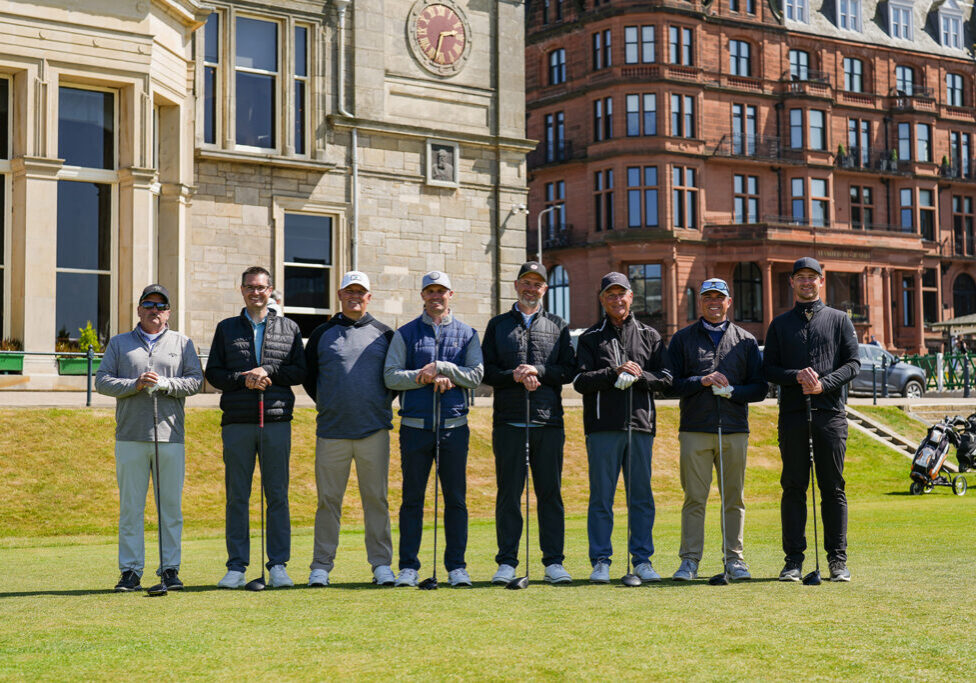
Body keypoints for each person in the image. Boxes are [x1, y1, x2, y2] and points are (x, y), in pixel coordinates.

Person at [96, 284, 203, 592]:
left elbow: (196, 381)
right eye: (149, 304)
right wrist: (135, 384)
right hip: (130, 435)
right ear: (139, 309)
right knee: (131, 508)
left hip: (171, 437)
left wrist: (167, 384)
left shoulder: (182, 343)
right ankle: (130, 571)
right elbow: (102, 381)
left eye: (161, 305)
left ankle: (170, 569)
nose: (155, 310)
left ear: (168, 312)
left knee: (170, 508)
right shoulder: (119, 344)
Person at [205, 266, 306, 589]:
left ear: (271, 290)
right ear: (242, 290)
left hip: (276, 421)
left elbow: (299, 371)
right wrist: (244, 378)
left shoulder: (289, 328)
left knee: (277, 495)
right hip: (237, 422)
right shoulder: (227, 328)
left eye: (261, 287)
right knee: (238, 496)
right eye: (250, 287)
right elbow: (215, 374)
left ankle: (277, 565)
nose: (255, 292)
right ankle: (236, 566)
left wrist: (269, 371)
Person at [384, 271, 484, 587]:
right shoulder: (406, 333)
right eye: (430, 291)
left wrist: (443, 369)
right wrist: (422, 377)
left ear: (450, 295)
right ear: (423, 296)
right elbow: (390, 376)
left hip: (454, 428)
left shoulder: (467, 334)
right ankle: (409, 567)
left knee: (455, 499)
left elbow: (476, 375)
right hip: (415, 428)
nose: (436, 296)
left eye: (441, 291)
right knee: (412, 499)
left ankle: (457, 567)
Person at [764, 257, 860, 582]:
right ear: (791, 282)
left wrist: (823, 383)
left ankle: (838, 560)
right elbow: (769, 369)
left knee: (832, 488)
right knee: (793, 487)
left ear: (822, 280)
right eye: (800, 277)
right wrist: (797, 377)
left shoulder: (839, 320)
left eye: (812, 277)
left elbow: (853, 364)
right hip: (792, 416)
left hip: (830, 415)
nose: (807, 282)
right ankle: (793, 561)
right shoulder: (779, 325)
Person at [573, 272, 672, 583]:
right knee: (601, 497)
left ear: (632, 297)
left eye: (622, 294)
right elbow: (579, 381)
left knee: (641, 498)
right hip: (603, 427)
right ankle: (601, 561)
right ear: (603, 299)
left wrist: (639, 375)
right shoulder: (590, 338)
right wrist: (612, 372)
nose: (617, 300)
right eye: (610, 295)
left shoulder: (650, 335)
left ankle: (642, 560)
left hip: (641, 425)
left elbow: (667, 379)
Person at [481, 262, 576, 585]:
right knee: (509, 493)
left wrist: (538, 371)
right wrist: (515, 376)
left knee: (550, 494)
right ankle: (507, 561)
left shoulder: (558, 326)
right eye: (526, 282)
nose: (531, 288)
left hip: (548, 422)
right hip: (508, 421)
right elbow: (488, 372)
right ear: (516, 285)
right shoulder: (497, 326)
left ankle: (553, 563)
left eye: (537, 284)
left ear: (545, 289)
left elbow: (568, 371)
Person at [667, 278, 767, 581]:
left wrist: (733, 391)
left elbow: (761, 388)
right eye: (707, 297)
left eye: (719, 297)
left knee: (733, 498)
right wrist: (702, 381)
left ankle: (734, 560)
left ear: (729, 302)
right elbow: (670, 384)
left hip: (734, 429)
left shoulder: (746, 341)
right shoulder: (683, 339)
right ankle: (689, 561)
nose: (713, 302)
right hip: (695, 428)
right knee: (694, 498)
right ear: (700, 302)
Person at [302, 271, 397, 587]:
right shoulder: (321, 334)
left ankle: (381, 565)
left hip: (373, 430)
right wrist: (331, 402)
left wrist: (375, 404)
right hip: (332, 431)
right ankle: (321, 566)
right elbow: (310, 377)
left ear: (369, 297)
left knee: (376, 500)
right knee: (328, 501)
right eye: (349, 291)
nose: (355, 296)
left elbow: (393, 380)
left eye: (361, 292)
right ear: (340, 295)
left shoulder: (385, 334)